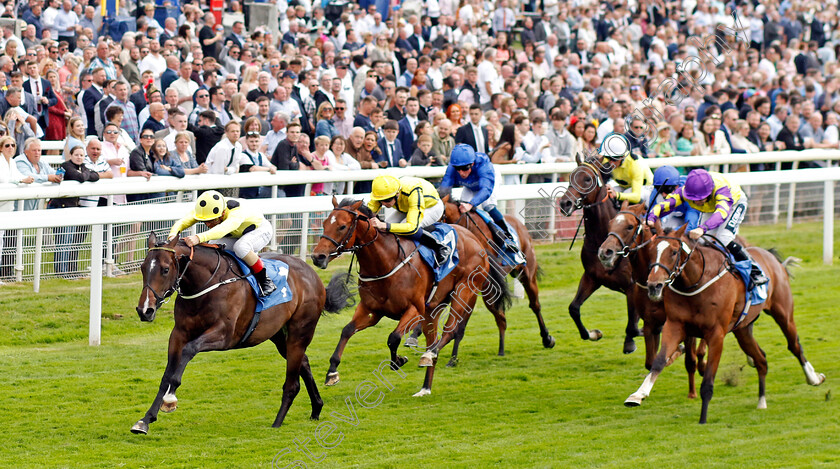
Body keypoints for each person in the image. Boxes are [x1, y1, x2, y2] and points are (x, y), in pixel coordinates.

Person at [646, 169, 768, 289]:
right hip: (710, 207)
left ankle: (755, 270)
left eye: (699, 199)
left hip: (732, 204)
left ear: (709, 193)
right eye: (692, 199)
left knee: (723, 237)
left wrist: (703, 228)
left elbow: (721, 214)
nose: (695, 202)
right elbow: (665, 204)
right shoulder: (685, 191)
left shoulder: (722, 191)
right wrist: (652, 217)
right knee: (702, 241)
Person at [169, 190, 277, 296]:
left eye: (211, 221)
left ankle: (266, 281)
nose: (207, 224)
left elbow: (223, 229)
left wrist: (198, 237)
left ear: (222, 214)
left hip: (260, 231)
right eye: (205, 221)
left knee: (241, 247)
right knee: (211, 246)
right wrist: (172, 236)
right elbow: (182, 222)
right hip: (236, 233)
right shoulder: (206, 209)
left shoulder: (236, 213)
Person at [438, 144, 520, 256]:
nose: (461, 172)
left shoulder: (483, 165)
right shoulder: (452, 168)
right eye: (458, 169)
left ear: (472, 164)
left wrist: (471, 204)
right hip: (470, 185)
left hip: (488, 182)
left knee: (488, 206)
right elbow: (444, 189)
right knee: (462, 209)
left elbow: (485, 190)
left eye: (465, 168)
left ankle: (507, 236)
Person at [367, 174, 451, 265]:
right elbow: (369, 211)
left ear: (397, 194)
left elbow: (411, 227)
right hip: (406, 207)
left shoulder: (413, 191)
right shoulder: (382, 192)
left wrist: (384, 225)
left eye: (387, 200)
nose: (383, 203)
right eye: (380, 200)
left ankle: (440, 247)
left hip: (431, 206)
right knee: (387, 227)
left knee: (403, 227)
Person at [600, 133, 654, 206]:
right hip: (626, 187)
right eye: (608, 157)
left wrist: (617, 194)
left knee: (626, 193)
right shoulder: (606, 160)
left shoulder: (635, 164)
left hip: (646, 188)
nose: (611, 162)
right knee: (606, 193)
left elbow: (636, 196)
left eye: (614, 159)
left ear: (622, 157)